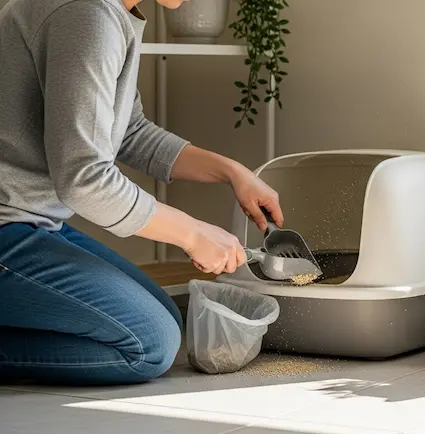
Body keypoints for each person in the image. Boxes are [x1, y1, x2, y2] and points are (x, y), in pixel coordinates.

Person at [0, 0, 284, 385]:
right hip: (8, 225)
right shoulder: (85, 13)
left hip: (31, 221)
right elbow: (84, 178)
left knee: (164, 315)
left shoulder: (113, 12)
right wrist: (191, 233)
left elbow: (128, 131)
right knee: (147, 344)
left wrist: (233, 173)